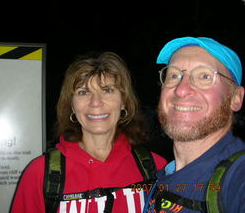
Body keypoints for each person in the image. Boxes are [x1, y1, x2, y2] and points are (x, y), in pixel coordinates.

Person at [11, 51, 167, 213]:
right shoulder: (40, 174)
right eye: (83, 92)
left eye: (107, 90)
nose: (95, 103)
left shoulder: (156, 168)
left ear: (124, 102)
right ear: (72, 105)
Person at [145, 37, 245, 212]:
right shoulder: (161, 177)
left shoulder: (237, 178)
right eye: (174, 75)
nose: (181, 89)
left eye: (204, 76)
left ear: (236, 97)